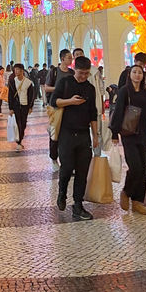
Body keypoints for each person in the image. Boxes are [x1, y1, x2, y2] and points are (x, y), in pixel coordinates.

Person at [109, 64, 146, 215]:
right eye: (134, 72)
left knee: (143, 168)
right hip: (129, 134)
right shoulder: (124, 91)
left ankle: (138, 201)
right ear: (130, 75)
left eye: (140, 73)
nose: (137, 75)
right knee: (136, 167)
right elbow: (118, 112)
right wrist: (114, 133)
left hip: (143, 134)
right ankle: (126, 192)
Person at [50, 55, 99, 221]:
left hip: (84, 134)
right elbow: (53, 101)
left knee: (82, 172)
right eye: (81, 73)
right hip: (66, 133)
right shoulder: (65, 83)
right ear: (74, 69)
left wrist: (96, 135)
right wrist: (70, 101)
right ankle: (62, 192)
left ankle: (78, 205)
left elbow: (93, 113)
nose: (83, 76)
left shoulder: (90, 88)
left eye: (86, 73)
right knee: (67, 168)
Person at [44, 49, 74, 166]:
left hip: (69, 105)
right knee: (55, 132)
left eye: (71, 58)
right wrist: (60, 88)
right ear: (62, 59)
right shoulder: (54, 72)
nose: (71, 60)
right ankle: (53, 157)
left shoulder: (72, 73)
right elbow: (47, 88)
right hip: (55, 106)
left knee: (67, 133)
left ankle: (66, 160)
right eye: (69, 57)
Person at [8, 63, 35, 150]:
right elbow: (10, 95)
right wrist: (10, 108)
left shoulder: (28, 82)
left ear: (22, 71)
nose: (16, 71)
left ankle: (20, 139)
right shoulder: (12, 81)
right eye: (15, 70)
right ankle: (19, 142)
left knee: (23, 123)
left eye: (18, 70)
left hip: (25, 106)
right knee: (18, 123)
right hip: (16, 106)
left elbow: (31, 95)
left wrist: (31, 106)